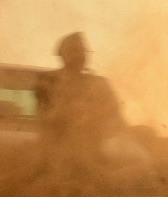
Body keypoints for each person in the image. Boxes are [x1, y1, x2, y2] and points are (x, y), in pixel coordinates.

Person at [36, 32, 123, 160]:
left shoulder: (99, 84)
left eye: (83, 51)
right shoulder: (49, 82)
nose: (80, 55)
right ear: (63, 55)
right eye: (74, 50)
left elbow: (115, 115)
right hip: (57, 155)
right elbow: (47, 118)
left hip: (93, 153)